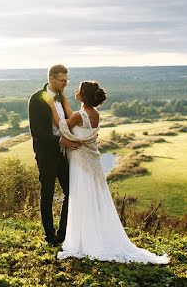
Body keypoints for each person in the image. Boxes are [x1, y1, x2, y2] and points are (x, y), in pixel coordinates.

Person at [47, 80, 169, 264]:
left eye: (79, 89)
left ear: (83, 95)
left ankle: (85, 239)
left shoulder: (80, 115)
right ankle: (94, 233)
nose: (76, 91)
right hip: (92, 161)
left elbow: (63, 126)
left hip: (80, 161)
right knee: (93, 196)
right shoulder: (94, 113)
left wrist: (52, 105)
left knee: (82, 196)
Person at [28, 64, 81, 246]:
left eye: (67, 80)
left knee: (71, 192)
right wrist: (60, 141)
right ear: (51, 79)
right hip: (46, 153)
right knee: (47, 195)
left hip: (63, 153)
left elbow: (67, 122)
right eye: (62, 80)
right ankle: (50, 237)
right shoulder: (37, 99)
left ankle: (63, 234)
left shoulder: (61, 98)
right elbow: (37, 133)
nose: (65, 83)